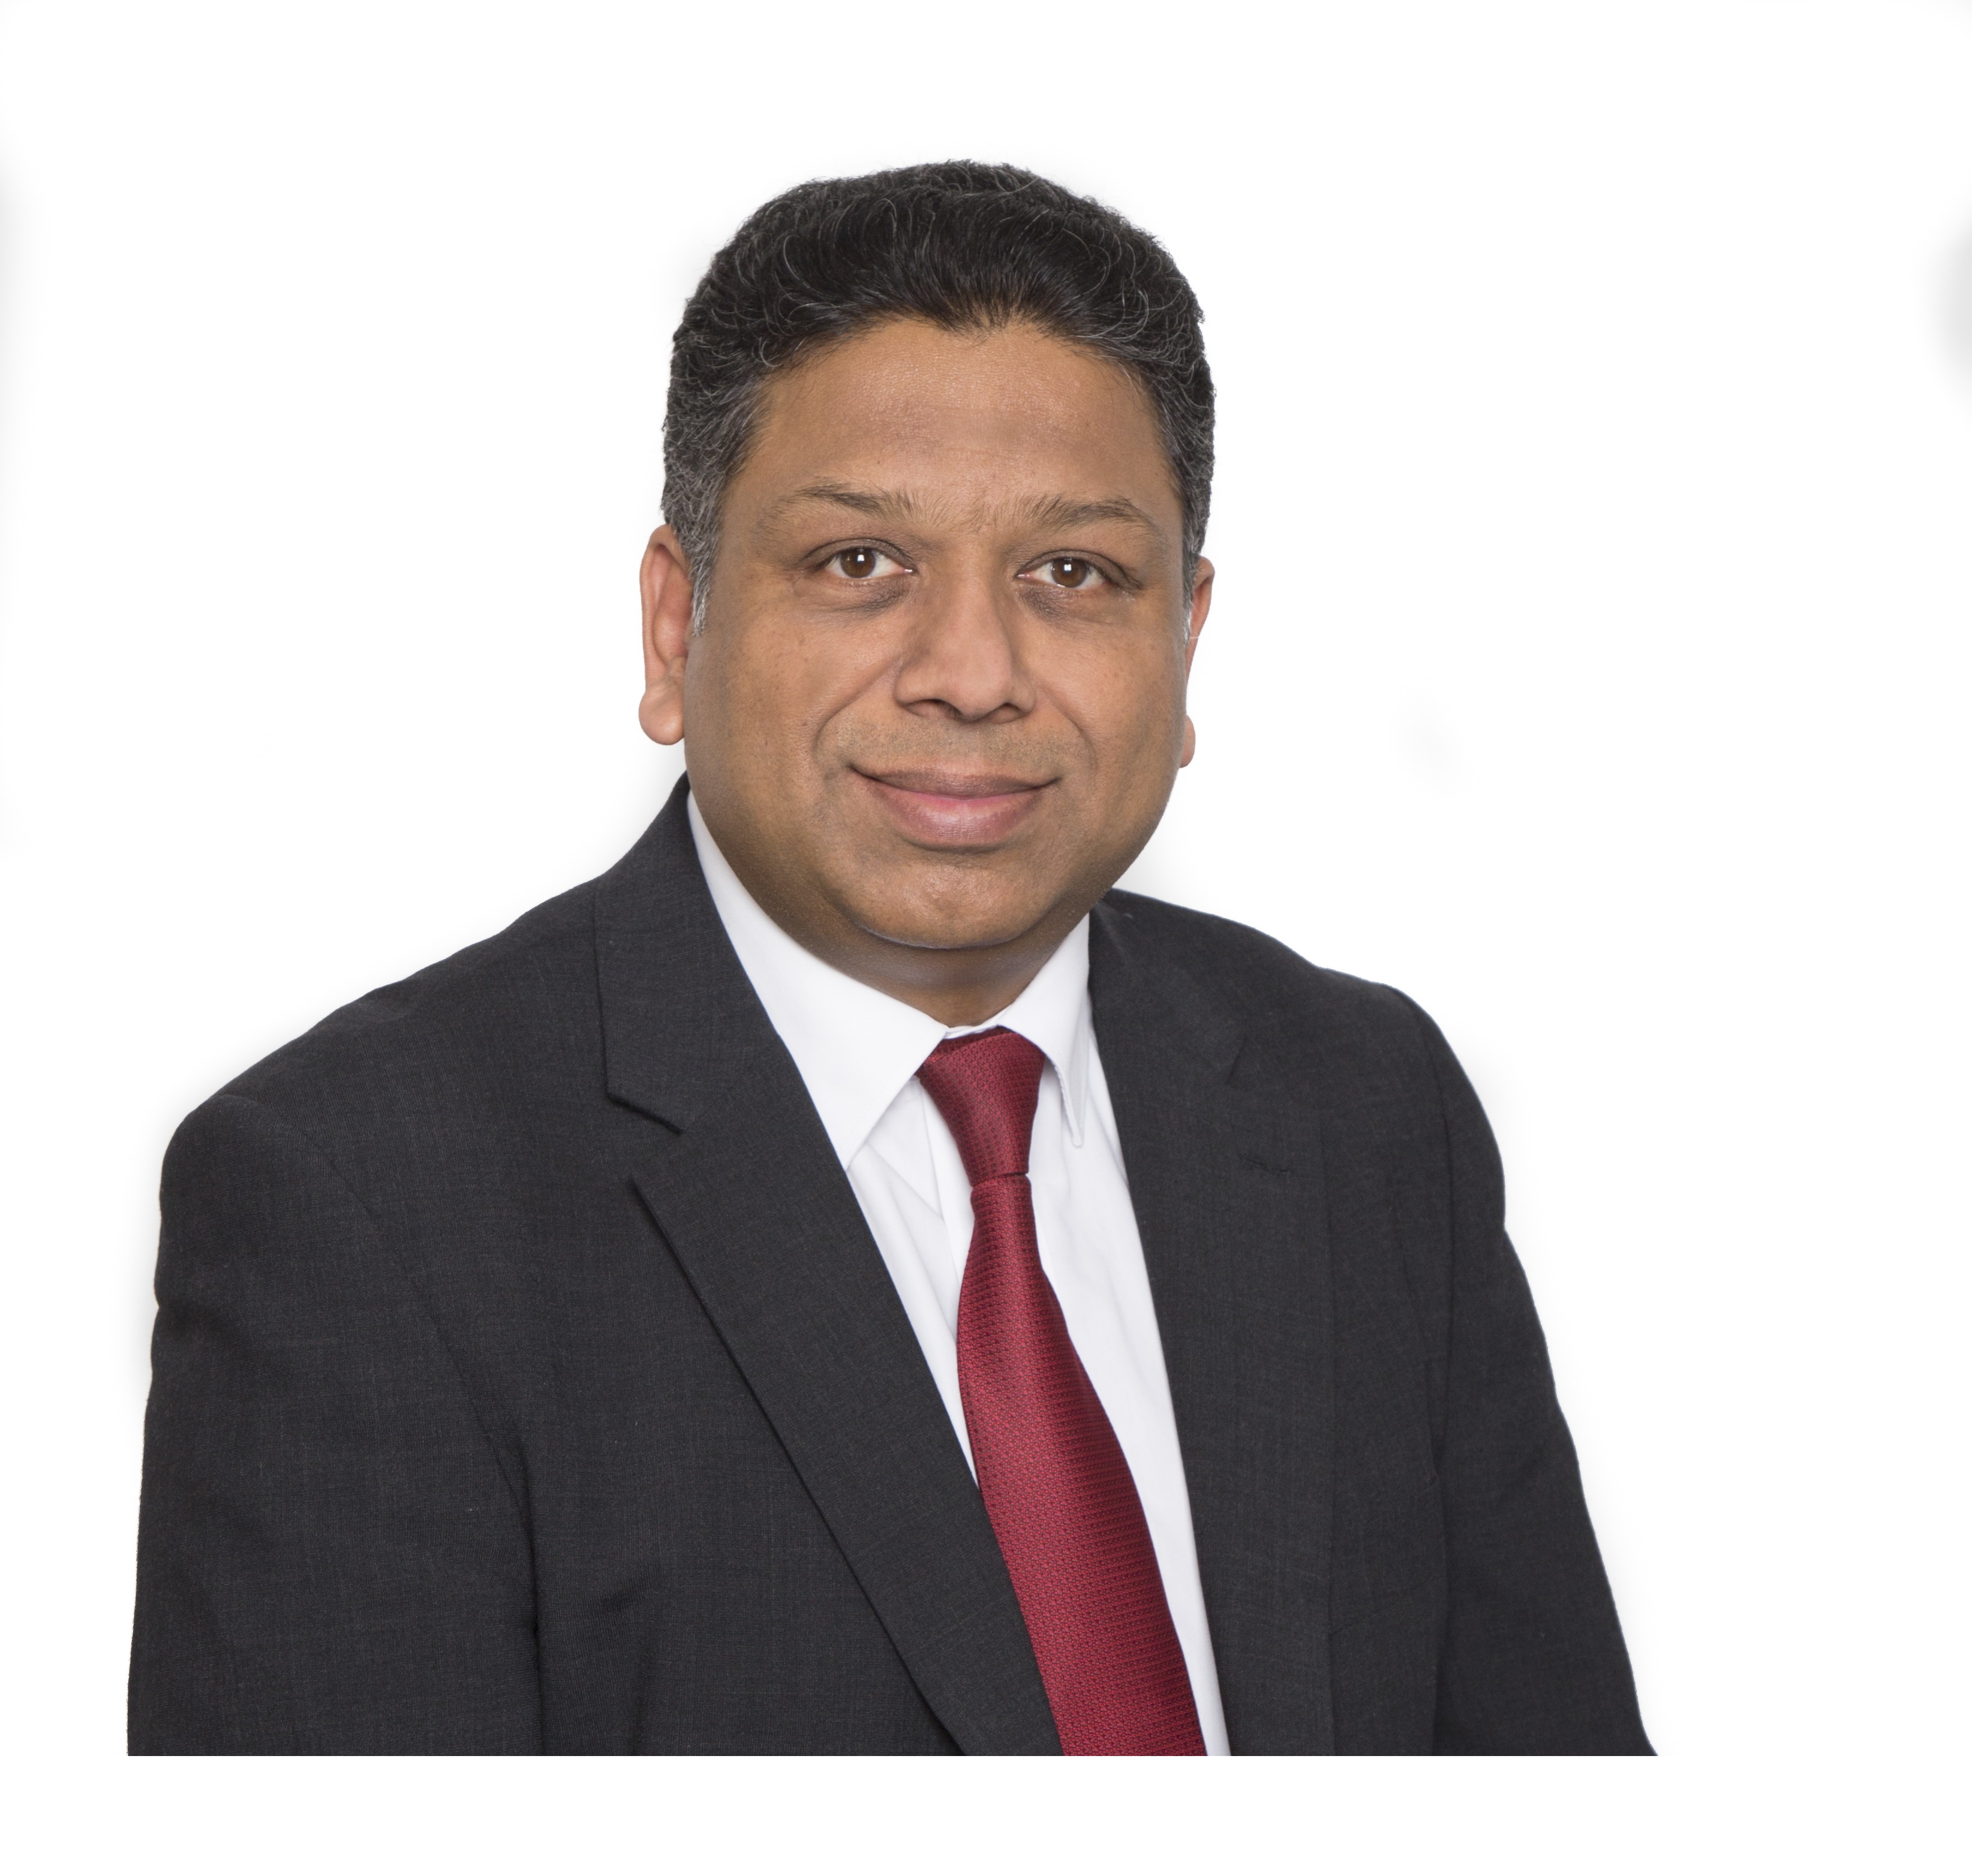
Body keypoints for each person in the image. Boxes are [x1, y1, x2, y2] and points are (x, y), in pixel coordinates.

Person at [128, 161, 1649, 1755]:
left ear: (1186, 640)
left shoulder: (1364, 1104)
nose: (973, 673)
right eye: (860, 562)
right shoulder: (360, 1200)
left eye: (1074, 573)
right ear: (676, 628)